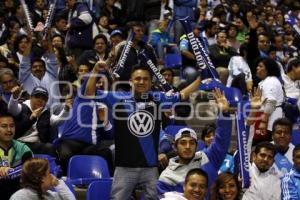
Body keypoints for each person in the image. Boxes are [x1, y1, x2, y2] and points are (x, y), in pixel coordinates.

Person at [85, 61, 201, 199]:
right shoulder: (118, 98)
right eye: (137, 78)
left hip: (150, 168)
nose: (141, 82)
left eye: (145, 79)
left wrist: (201, 78)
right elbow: (89, 93)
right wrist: (95, 70)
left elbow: (182, 94)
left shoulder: (158, 98)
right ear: (130, 81)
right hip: (124, 167)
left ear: (151, 82)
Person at [157, 89, 232, 195]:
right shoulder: (166, 177)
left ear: (197, 146)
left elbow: (222, 140)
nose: (187, 146)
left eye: (192, 143)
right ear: (175, 146)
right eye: (183, 143)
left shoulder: (208, 158)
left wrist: (224, 113)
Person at [7, 86, 70, 156]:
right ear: (31, 97)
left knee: (53, 148)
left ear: (46, 101)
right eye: (37, 97)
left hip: (38, 144)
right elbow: (12, 109)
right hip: (20, 143)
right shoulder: (22, 107)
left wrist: (66, 109)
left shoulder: (45, 113)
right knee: (49, 148)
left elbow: (58, 121)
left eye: (44, 99)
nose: (40, 100)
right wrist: (14, 98)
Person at [0, 112, 32, 200]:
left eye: (12, 126)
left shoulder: (23, 149)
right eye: (4, 126)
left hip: (18, 193)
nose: (9, 130)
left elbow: (30, 175)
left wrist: (13, 172)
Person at [9, 158, 75, 200]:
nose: (52, 176)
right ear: (42, 178)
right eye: (49, 173)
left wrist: (58, 184)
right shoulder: (19, 197)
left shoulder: (50, 195)